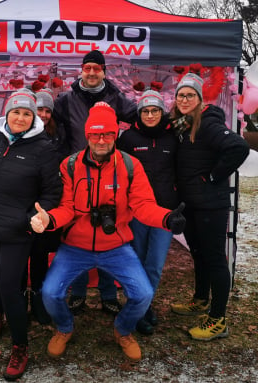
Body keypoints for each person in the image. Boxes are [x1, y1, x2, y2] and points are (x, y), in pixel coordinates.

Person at [30, 102, 186, 363]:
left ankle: (123, 330)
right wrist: (49, 219)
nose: (101, 140)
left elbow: (143, 205)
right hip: (75, 246)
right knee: (50, 293)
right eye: (95, 134)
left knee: (143, 294)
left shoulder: (130, 166)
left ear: (115, 135)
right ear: (87, 135)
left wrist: (166, 218)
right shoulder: (70, 165)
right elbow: (67, 208)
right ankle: (65, 327)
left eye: (107, 134)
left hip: (116, 246)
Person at [0, 91, 62, 381]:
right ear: (7, 113)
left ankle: (20, 346)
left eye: (27, 114)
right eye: (16, 112)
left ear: (34, 118)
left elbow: (52, 192)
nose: (20, 118)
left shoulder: (43, 148)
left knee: (9, 285)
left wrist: (38, 216)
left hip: (19, 230)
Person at [53, 49, 138, 315]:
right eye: (87, 68)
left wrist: (126, 147)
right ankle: (77, 293)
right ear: (81, 70)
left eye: (96, 68)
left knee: (108, 231)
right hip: (78, 174)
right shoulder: (65, 100)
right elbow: (56, 134)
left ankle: (108, 294)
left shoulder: (115, 97)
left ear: (104, 71)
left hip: (110, 172)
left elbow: (139, 119)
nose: (91, 73)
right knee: (77, 233)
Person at [169, 73, 249, 341]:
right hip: (190, 204)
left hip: (210, 206)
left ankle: (218, 320)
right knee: (198, 254)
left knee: (214, 258)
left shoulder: (208, 124)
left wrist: (213, 177)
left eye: (191, 95)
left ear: (200, 98)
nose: (185, 99)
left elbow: (238, 147)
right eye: (181, 95)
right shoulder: (181, 124)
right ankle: (201, 299)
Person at [116, 89, 178, 335]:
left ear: (161, 113)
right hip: (137, 211)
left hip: (165, 212)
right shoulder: (128, 138)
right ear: (139, 114)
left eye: (154, 111)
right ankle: (138, 305)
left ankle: (144, 306)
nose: (150, 115)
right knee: (137, 261)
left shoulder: (173, 137)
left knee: (155, 264)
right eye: (145, 111)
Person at [23, 89, 61, 325]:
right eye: (40, 110)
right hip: (20, 202)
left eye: (48, 110)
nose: (44, 115)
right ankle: (18, 300)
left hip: (44, 204)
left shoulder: (57, 136)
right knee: (17, 256)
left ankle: (38, 300)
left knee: (39, 255)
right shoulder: (19, 133)